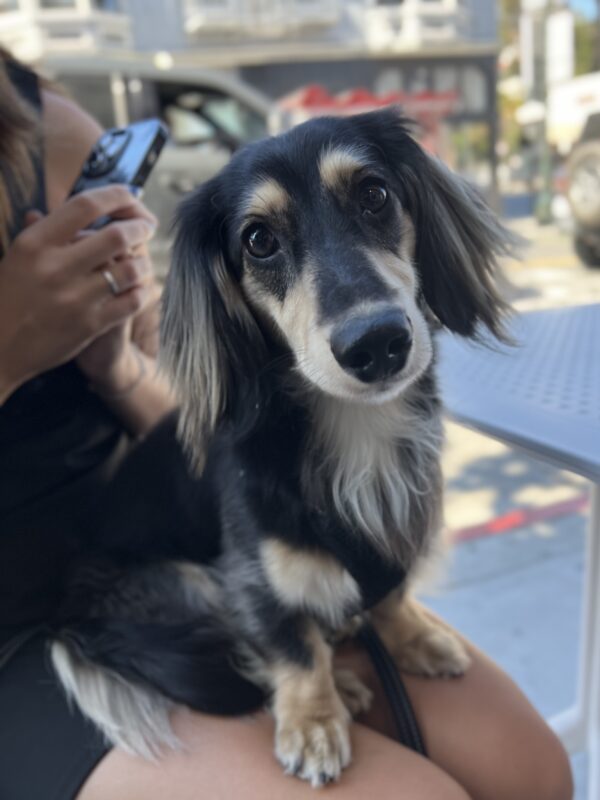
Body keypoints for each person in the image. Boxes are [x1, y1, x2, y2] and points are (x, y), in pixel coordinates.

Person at [0, 50, 573, 800]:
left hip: (168, 528)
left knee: (530, 771)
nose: (360, 310)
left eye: (371, 196)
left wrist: (113, 368)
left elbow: (198, 425)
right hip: (36, 618)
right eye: (263, 243)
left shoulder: (49, 123)